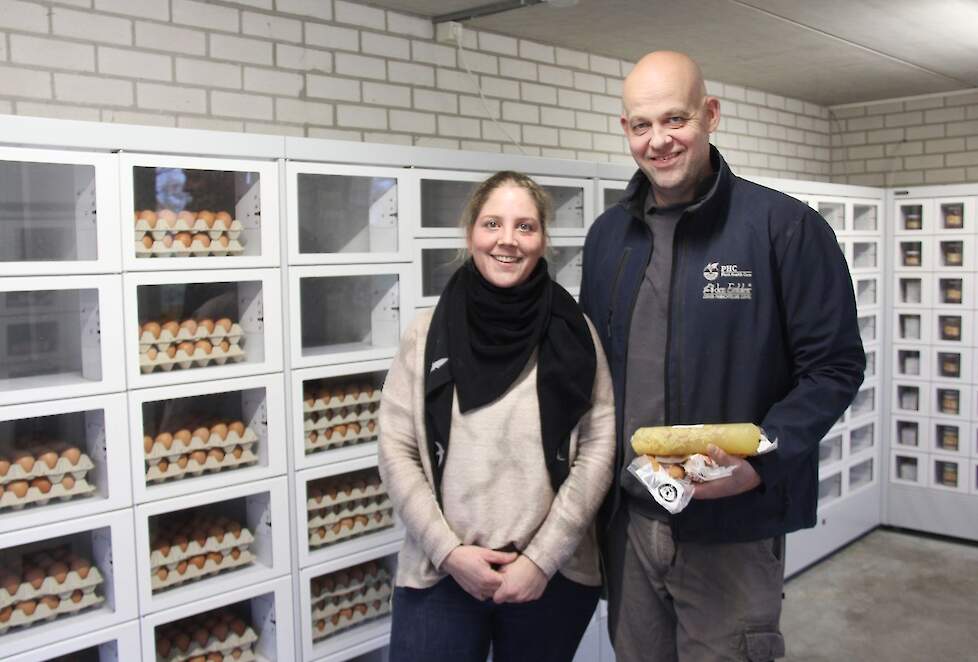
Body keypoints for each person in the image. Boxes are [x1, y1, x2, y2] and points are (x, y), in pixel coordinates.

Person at [579, 51, 866, 662]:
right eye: (641, 125)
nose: (658, 141)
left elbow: (835, 366)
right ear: (624, 129)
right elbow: (593, 369)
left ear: (710, 114)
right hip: (630, 522)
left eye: (675, 119)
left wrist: (763, 460)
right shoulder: (609, 237)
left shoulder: (783, 227)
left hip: (732, 526)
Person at [379, 171, 616, 662]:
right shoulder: (427, 335)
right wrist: (448, 552)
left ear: (543, 240)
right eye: (493, 223)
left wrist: (540, 560)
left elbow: (598, 447)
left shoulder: (575, 333)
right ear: (471, 235)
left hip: (548, 576)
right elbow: (395, 448)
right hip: (442, 572)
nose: (508, 240)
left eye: (525, 227)